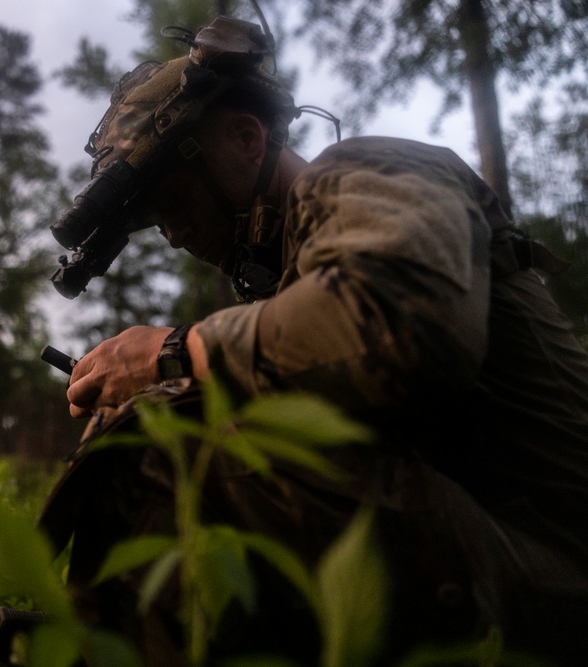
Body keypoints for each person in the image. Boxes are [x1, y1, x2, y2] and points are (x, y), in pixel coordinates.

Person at [38, 12, 588, 667]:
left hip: (558, 575)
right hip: (507, 562)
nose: (175, 233)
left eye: (176, 199)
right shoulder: (289, 276)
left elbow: (405, 322)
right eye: (155, 220)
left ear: (246, 138)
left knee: (172, 448)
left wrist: (172, 354)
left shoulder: (365, 173)